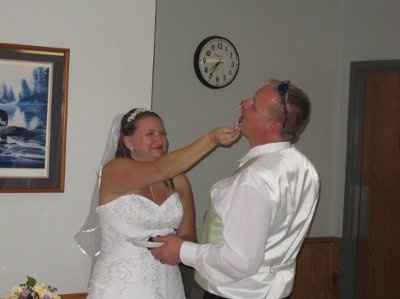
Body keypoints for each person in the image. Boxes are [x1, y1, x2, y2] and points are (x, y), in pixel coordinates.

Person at [150, 79, 320, 299]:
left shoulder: (256, 178)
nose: (244, 103)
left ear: (272, 126)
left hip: (235, 293)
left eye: (254, 105)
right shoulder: (304, 168)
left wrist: (181, 250)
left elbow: (239, 261)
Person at [74, 108, 240, 299]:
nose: (160, 140)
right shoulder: (114, 170)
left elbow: (189, 233)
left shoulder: (178, 180)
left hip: (167, 281)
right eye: (150, 134)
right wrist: (211, 139)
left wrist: (177, 245)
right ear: (128, 142)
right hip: (120, 285)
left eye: (162, 133)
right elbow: (160, 169)